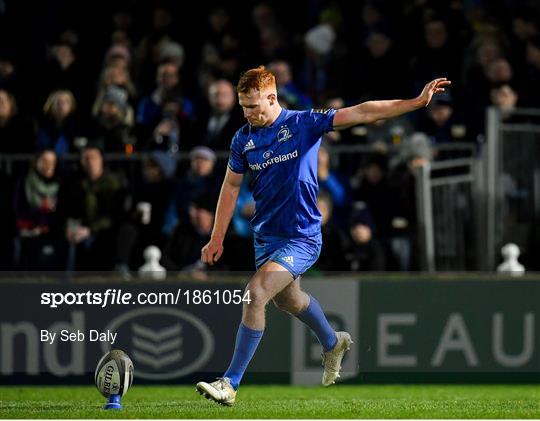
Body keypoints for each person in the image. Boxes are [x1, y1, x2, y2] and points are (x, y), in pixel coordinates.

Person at [196, 66, 450, 405]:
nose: (249, 114)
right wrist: (217, 237)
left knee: (255, 294)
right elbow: (230, 186)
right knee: (289, 301)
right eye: (244, 107)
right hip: (266, 237)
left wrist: (416, 102)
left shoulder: (304, 123)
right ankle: (334, 343)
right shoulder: (243, 138)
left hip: (302, 236)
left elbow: (362, 112)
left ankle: (230, 383)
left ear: (272, 98)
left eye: (254, 106)